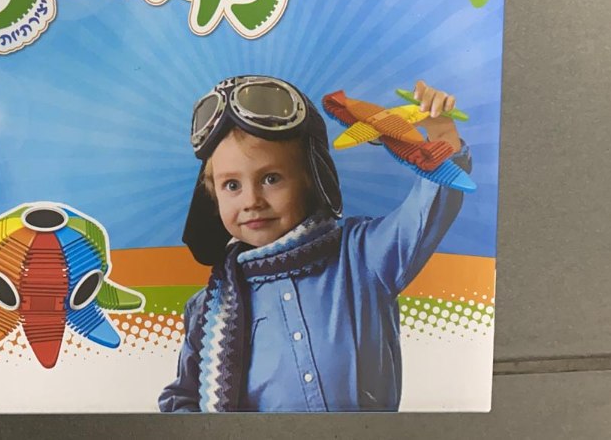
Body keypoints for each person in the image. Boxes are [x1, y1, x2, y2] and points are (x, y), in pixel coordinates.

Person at [158, 75, 471, 412]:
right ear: (213, 195)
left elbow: (428, 211)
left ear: (311, 178)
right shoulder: (206, 311)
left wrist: (441, 134)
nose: (251, 201)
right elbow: (182, 398)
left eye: (271, 179)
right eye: (232, 185)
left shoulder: (362, 256)